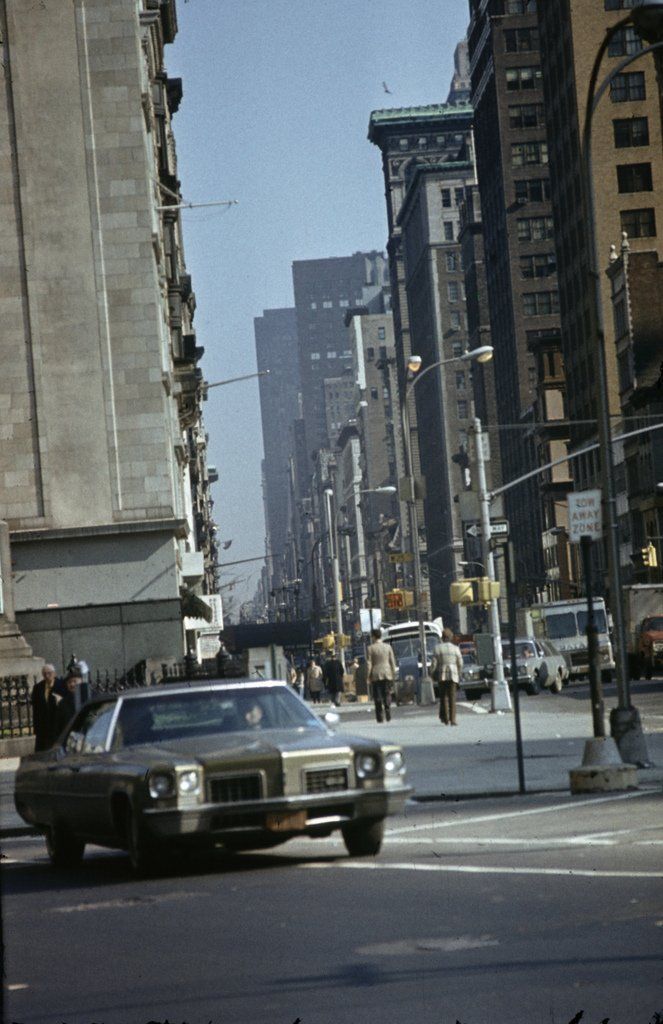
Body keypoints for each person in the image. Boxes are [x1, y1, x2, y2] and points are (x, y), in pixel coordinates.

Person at [430, 627, 464, 726]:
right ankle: (453, 719)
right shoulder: (456, 648)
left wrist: (431, 673)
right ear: (451, 637)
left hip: (442, 674)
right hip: (453, 674)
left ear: (442, 637)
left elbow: (434, 663)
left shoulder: (437, 648)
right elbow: (460, 663)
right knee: (452, 698)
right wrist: (459, 672)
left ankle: (446, 718)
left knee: (443, 697)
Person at [366, 628, 397, 723]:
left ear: (374, 637)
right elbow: (392, 661)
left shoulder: (370, 648)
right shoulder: (388, 647)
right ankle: (388, 710)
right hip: (387, 673)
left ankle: (380, 717)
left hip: (376, 674)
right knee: (387, 693)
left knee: (377, 696)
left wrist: (368, 676)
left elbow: (369, 664)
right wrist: (393, 673)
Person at [31, 664, 63, 751]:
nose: (47, 676)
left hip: (56, 724)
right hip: (43, 727)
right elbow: (36, 710)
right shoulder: (38, 688)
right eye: (44, 674)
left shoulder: (61, 685)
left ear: (54, 674)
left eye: (49, 673)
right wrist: (36, 728)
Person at [55, 669, 83, 735]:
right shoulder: (63, 703)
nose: (72, 684)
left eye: (75, 681)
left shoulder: (90, 697)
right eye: (69, 682)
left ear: (81, 681)